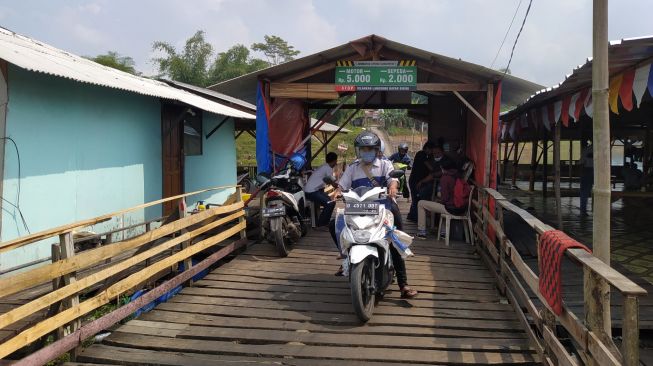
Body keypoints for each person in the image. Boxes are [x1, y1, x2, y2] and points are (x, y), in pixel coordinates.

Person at [328, 131, 418, 299]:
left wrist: (392, 187)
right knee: (335, 225)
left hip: (382, 208)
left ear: (377, 150)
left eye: (370, 148)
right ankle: (346, 257)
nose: (366, 151)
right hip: (358, 209)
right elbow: (342, 184)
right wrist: (338, 192)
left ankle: (403, 284)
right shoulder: (353, 167)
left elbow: (393, 179)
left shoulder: (385, 164)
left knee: (394, 239)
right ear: (358, 150)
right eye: (363, 148)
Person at [415, 160, 464, 239]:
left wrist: (438, 200)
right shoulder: (458, 176)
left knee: (421, 203)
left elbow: (445, 199)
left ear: (442, 168)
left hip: (450, 209)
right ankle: (443, 233)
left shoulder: (445, 178)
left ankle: (421, 232)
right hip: (460, 208)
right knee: (441, 204)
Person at [304, 152, 339, 228]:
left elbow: (328, 182)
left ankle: (325, 222)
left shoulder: (325, 166)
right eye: (336, 160)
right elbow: (333, 184)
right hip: (311, 192)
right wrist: (343, 187)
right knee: (329, 204)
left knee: (331, 202)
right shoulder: (328, 168)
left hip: (314, 190)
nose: (336, 162)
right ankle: (321, 224)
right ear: (334, 160)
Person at [407, 141, 436, 221]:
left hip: (417, 180)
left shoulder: (426, 156)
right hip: (414, 181)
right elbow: (430, 167)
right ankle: (415, 218)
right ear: (427, 148)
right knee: (416, 199)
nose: (432, 152)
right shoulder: (421, 154)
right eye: (431, 150)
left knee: (416, 199)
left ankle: (412, 216)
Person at [579, 140, 594, 216]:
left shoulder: (586, 149)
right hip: (593, 170)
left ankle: (583, 210)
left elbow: (581, 163)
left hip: (587, 170)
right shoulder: (602, 149)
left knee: (584, 191)